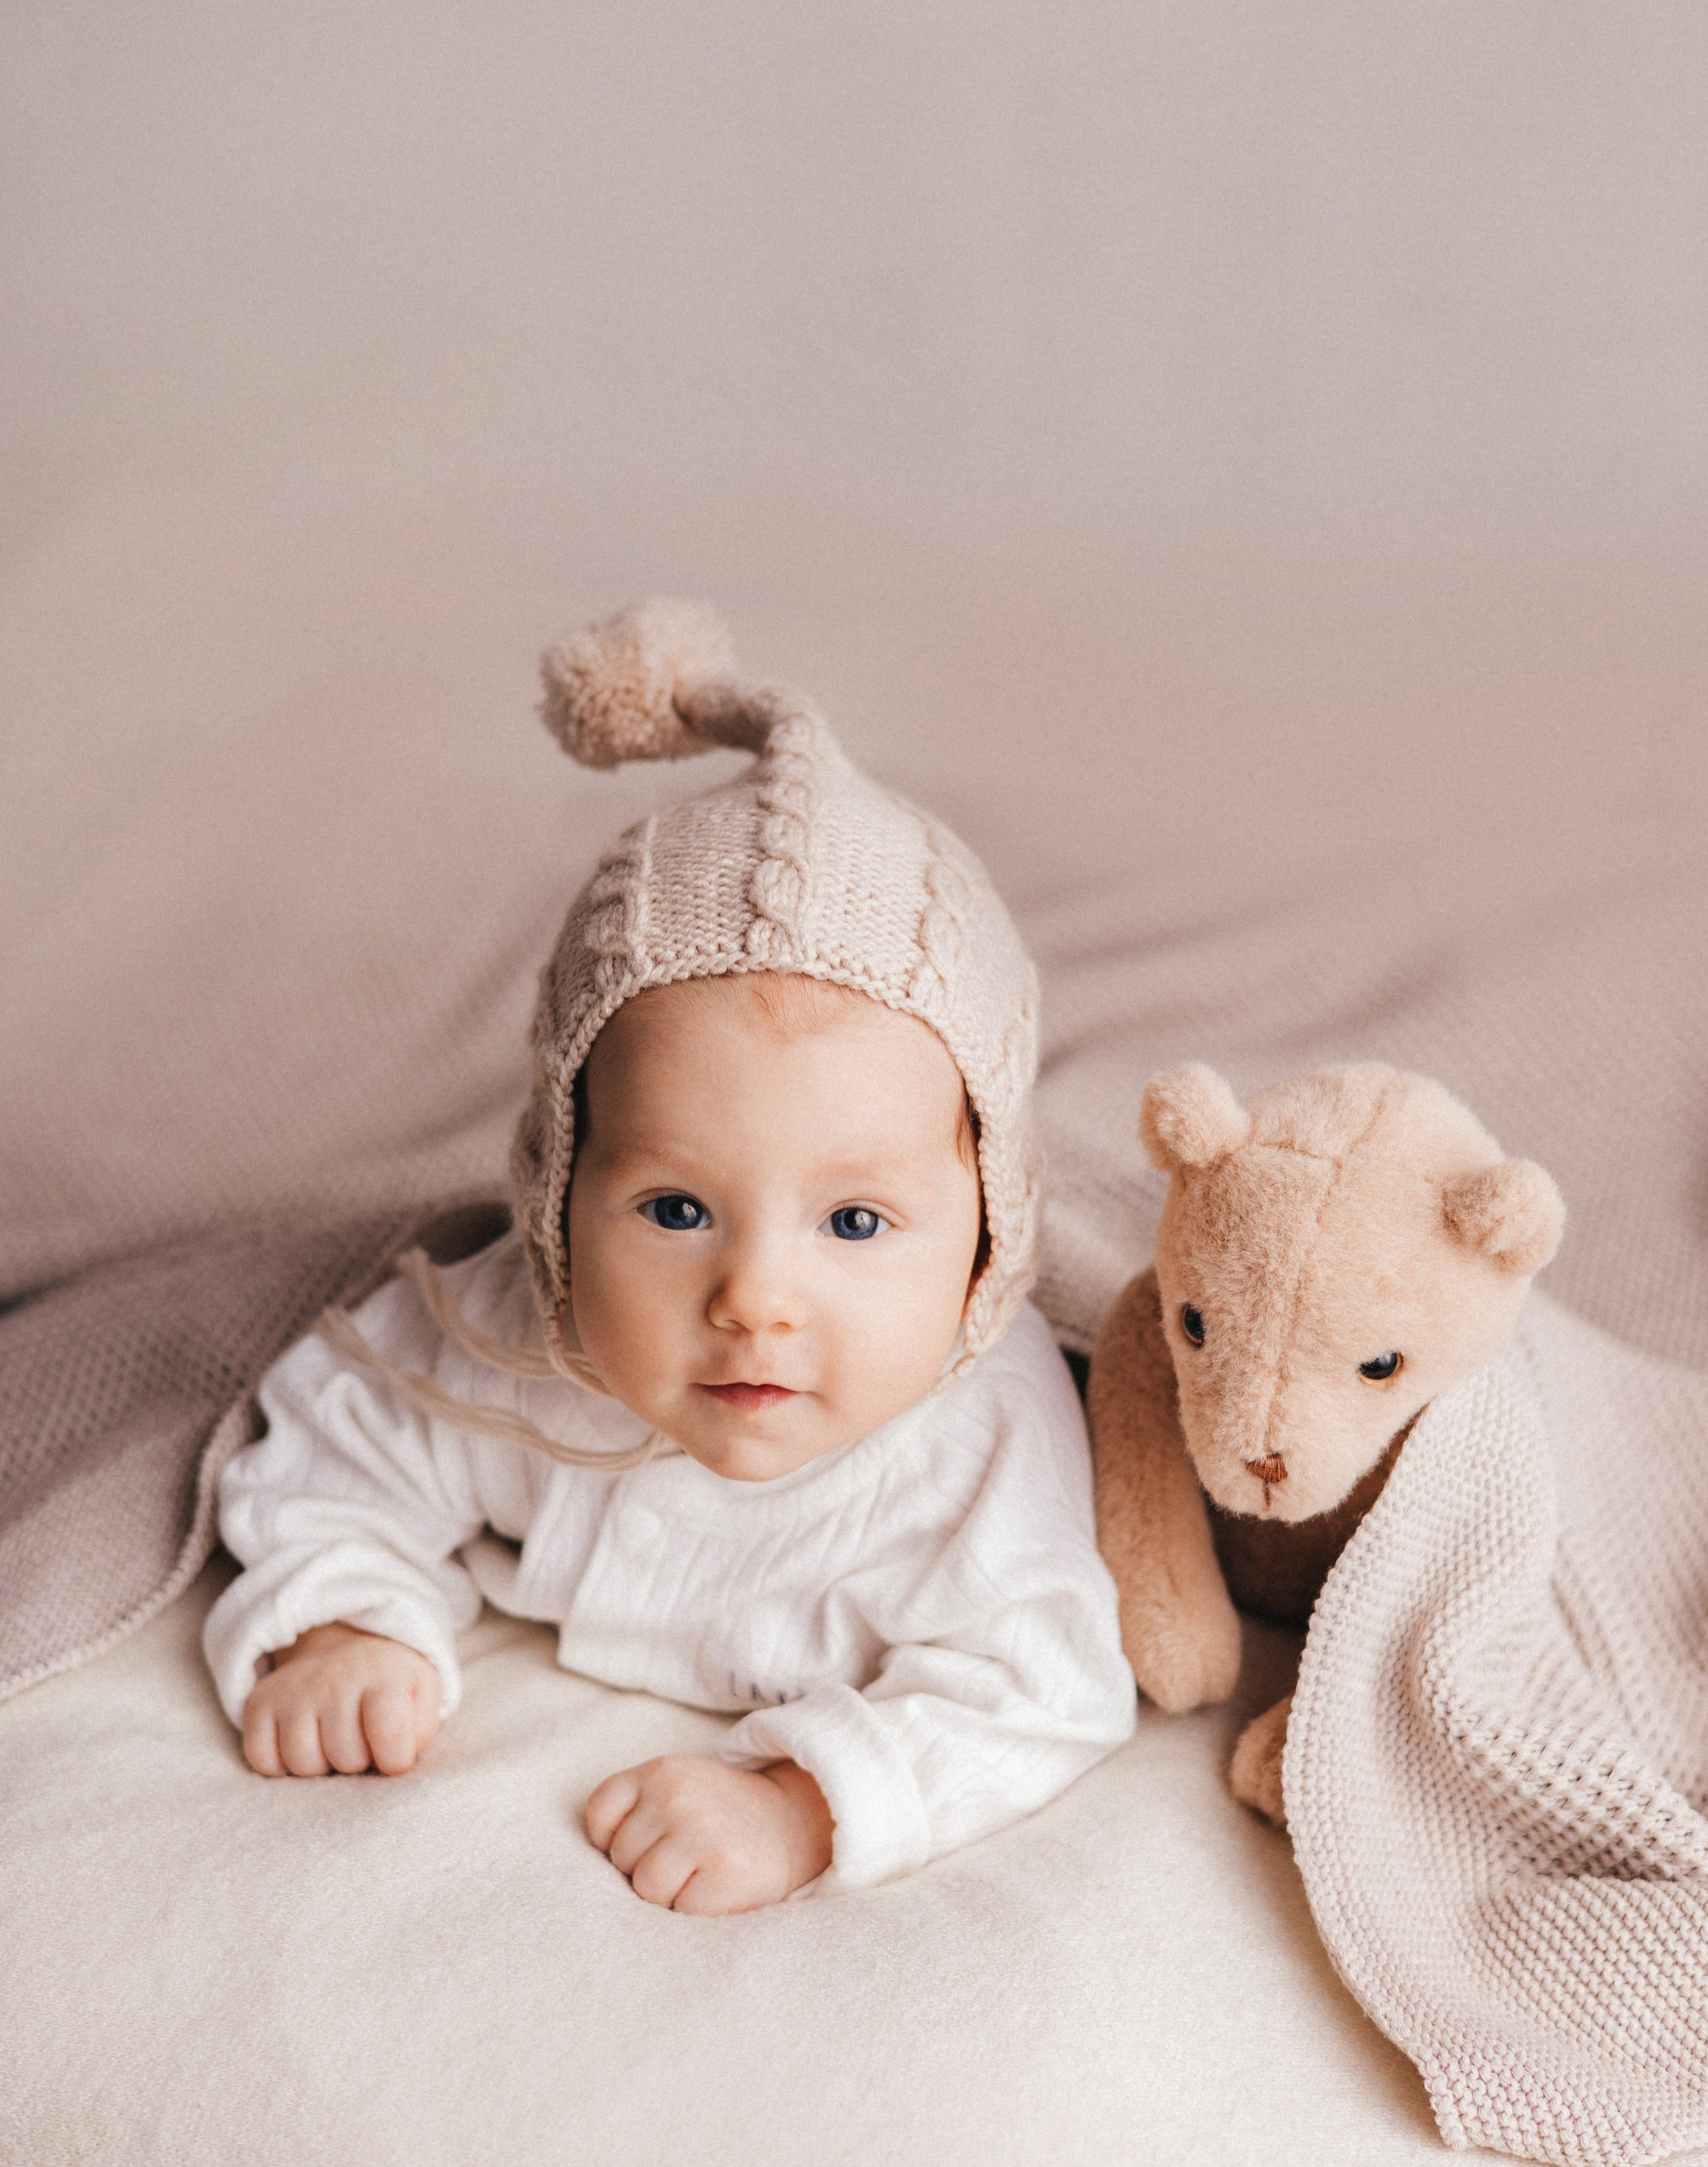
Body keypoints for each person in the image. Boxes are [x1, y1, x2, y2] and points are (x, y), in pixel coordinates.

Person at [204, 601, 1135, 1912]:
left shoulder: (973, 1439)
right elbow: (338, 1438)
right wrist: (344, 1618)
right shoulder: (521, 1331)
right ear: (561, 1186)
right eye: (678, 1209)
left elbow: (1041, 1689)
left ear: (987, 1231)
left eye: (855, 1224)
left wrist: (805, 1806)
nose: (755, 1301)